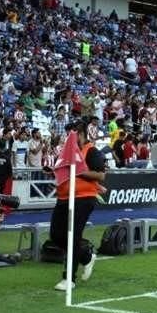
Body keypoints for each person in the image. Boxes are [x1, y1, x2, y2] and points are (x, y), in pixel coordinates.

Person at [49, 121, 106, 291]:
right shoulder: (67, 153)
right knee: (56, 234)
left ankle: (69, 278)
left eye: (72, 135)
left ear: (80, 135)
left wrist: (78, 171)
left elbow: (101, 175)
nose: (69, 138)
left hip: (83, 198)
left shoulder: (91, 151)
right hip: (64, 197)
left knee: (72, 235)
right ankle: (86, 256)